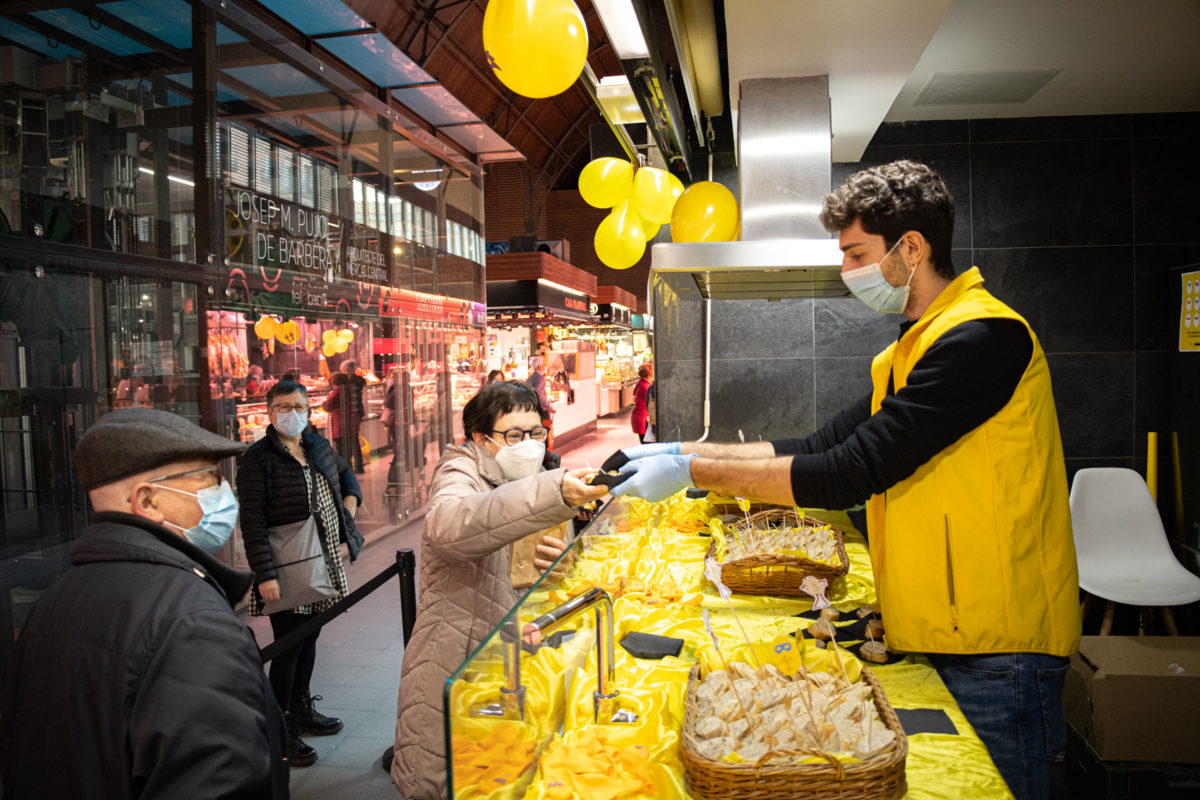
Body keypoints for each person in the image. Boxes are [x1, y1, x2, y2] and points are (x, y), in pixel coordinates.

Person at [608, 160, 1080, 800]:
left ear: (911, 247)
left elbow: (850, 470)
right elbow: (821, 443)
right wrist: (684, 446)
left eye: (857, 252)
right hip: (943, 628)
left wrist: (693, 471)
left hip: (999, 647)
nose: (846, 270)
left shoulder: (983, 337)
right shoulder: (912, 349)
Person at [0, 408, 288, 797]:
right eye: (209, 480)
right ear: (147, 501)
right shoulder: (192, 624)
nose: (224, 494)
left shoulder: (52, 602)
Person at [390, 381, 608, 799]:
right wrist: (553, 492)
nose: (528, 445)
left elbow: (541, 567)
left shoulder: (538, 476)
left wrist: (560, 562)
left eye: (535, 433)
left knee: (498, 774)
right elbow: (450, 527)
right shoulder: (459, 470)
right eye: (514, 435)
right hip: (457, 648)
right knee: (441, 778)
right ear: (480, 437)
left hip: (513, 650)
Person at [238, 380, 365, 768]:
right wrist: (265, 573)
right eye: (282, 407)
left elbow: (346, 475)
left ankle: (302, 708)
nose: (291, 414)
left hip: (322, 560)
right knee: (288, 646)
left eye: (298, 406)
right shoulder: (257, 458)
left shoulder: (318, 445)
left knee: (310, 637)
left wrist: (349, 506)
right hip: (287, 564)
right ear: (269, 411)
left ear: (310, 410)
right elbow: (253, 521)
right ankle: (280, 728)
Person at [324, 359, 367, 473]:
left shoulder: (346, 385)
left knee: (347, 444)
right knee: (354, 440)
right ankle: (358, 466)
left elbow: (328, 405)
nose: (341, 371)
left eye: (342, 370)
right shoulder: (359, 380)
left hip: (346, 418)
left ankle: (349, 468)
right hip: (356, 414)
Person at [526, 355, 555, 447]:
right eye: (544, 364)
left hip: (532, 410)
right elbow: (539, 393)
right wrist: (548, 406)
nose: (545, 366)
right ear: (539, 366)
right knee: (544, 432)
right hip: (541, 410)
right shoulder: (540, 378)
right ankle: (544, 454)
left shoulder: (530, 378)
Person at [631, 363, 653, 443]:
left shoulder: (641, 384)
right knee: (647, 444)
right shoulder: (646, 387)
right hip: (643, 418)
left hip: (640, 417)